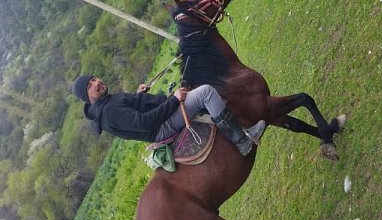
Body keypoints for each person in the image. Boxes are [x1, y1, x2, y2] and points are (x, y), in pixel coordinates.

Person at [71, 75, 265, 156]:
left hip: (160, 119)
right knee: (205, 92)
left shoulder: (106, 103)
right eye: (89, 86)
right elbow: (144, 123)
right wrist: (174, 100)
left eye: (93, 78)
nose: (96, 83)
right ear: (87, 97)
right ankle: (242, 141)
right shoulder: (108, 112)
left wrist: (139, 96)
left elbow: (130, 111)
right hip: (162, 127)